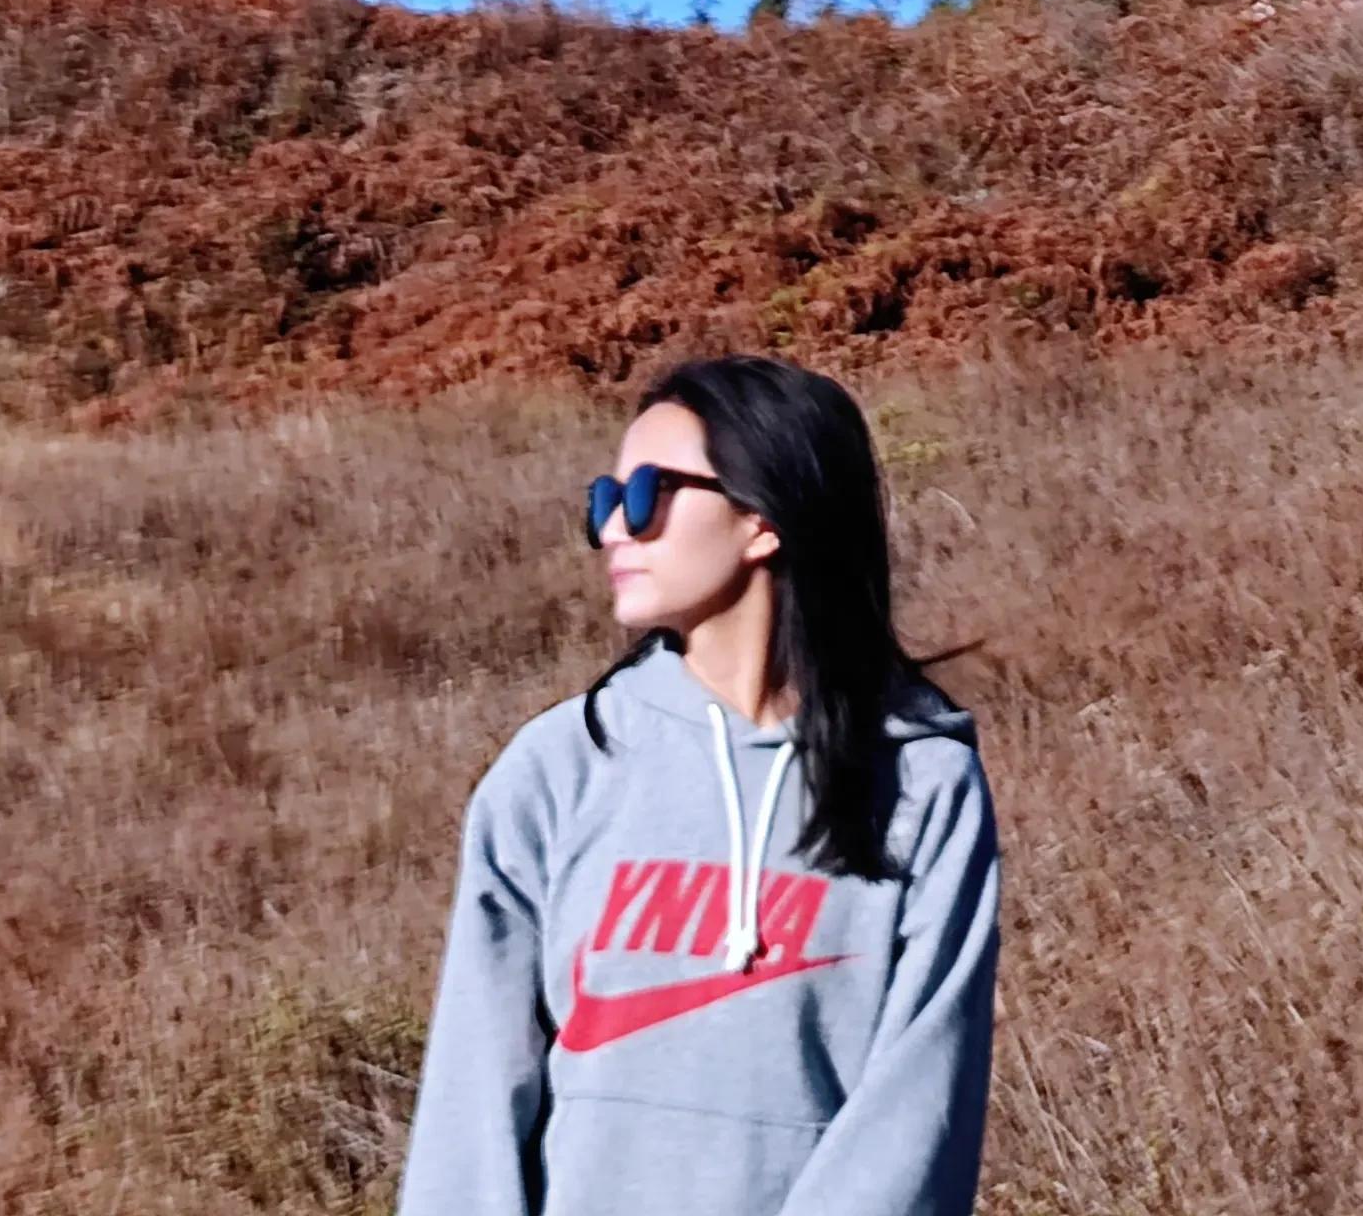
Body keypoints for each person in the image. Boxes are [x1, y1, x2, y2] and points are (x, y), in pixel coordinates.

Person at [400, 355, 999, 1216]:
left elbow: (919, 1107)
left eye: (646, 494)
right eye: (604, 502)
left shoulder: (921, 780)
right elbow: (475, 1105)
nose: (614, 529)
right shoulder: (557, 771)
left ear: (762, 517)